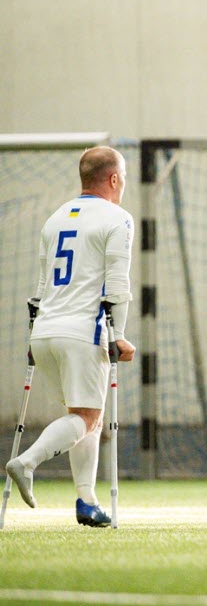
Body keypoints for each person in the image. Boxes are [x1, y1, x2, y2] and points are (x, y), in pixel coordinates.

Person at [5, 146, 136, 528]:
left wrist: (33, 337)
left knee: (83, 416)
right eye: (122, 178)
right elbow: (118, 284)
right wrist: (120, 336)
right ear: (114, 179)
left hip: (45, 332)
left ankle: (86, 502)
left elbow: (40, 288)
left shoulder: (55, 218)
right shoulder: (118, 218)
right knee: (87, 416)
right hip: (82, 332)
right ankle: (26, 462)